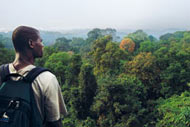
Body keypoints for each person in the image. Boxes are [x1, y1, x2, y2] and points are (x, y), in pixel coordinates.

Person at [0, 26, 68, 127]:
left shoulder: (2, 72)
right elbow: (54, 122)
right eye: (40, 41)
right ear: (31, 43)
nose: (43, 45)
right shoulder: (47, 78)